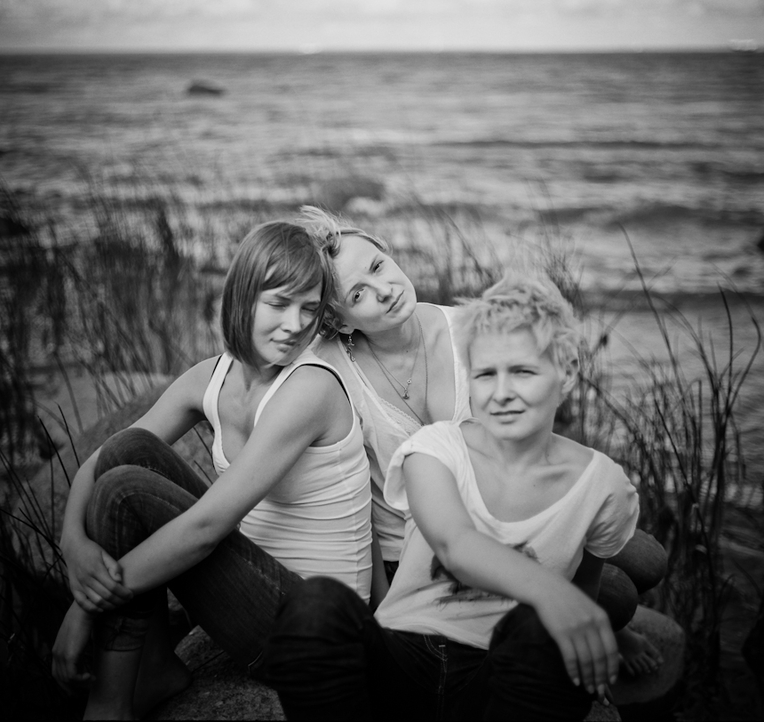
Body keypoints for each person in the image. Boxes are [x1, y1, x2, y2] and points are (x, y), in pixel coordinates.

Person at [297, 205, 666, 675]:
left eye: (378, 265)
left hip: (509, 519)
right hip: (412, 550)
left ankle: (602, 623)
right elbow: (354, 495)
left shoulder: (468, 330)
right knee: (618, 593)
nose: (384, 289)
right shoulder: (329, 372)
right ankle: (602, 625)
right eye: (358, 293)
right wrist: (383, 605)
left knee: (647, 560)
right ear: (340, 320)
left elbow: (528, 433)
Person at [263, 272, 640, 720]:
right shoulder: (435, 448)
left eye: (523, 371)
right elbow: (454, 544)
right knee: (314, 606)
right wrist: (554, 595)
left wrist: (585, 638)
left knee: (546, 635)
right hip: (401, 658)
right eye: (485, 374)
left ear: (568, 372)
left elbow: (585, 584)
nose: (502, 394)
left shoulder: (604, 485)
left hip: (498, 671)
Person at [51, 221, 374, 720]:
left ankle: (108, 706)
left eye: (309, 309)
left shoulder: (311, 388)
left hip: (318, 630)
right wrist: (72, 544)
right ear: (242, 295)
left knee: (124, 492)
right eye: (279, 303)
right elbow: (100, 458)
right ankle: (152, 667)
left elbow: (206, 529)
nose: (295, 324)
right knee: (127, 452)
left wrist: (86, 607)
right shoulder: (211, 376)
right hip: (258, 587)